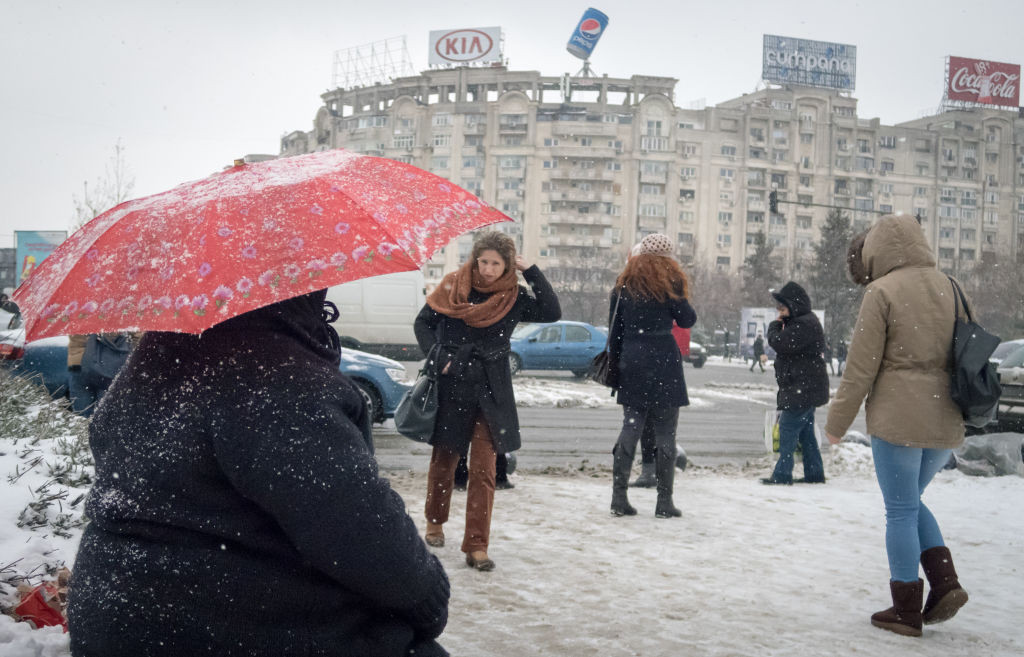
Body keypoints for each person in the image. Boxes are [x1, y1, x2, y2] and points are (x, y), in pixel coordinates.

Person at [67, 290, 450, 656]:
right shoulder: (275, 375)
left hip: (115, 614)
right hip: (218, 627)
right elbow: (364, 537)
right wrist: (429, 599)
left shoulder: (155, 355)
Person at [825, 215, 970, 637]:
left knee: (901, 509)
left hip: (899, 417)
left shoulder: (882, 290)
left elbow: (860, 368)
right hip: (946, 413)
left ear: (878, 251)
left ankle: (905, 609)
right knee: (912, 501)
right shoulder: (952, 286)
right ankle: (945, 583)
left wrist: (836, 423)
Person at [415, 232, 560, 571]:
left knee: (484, 469)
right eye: (484, 261)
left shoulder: (514, 295)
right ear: (475, 259)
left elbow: (552, 312)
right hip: (454, 384)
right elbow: (423, 323)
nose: (489, 269)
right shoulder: (454, 286)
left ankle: (477, 546)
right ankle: (435, 521)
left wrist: (533, 271)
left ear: (508, 264)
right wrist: (439, 358)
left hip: (492, 389)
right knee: (445, 459)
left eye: (496, 263)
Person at [607, 233, 697, 518]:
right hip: (663, 360)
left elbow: (614, 331)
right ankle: (664, 502)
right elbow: (687, 319)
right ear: (669, 258)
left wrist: (619, 364)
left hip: (632, 359)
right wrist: (678, 294)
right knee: (666, 432)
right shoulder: (670, 284)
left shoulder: (622, 286)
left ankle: (618, 498)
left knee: (630, 426)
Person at [760, 281, 829, 486]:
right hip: (804, 386)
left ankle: (782, 475)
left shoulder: (803, 324)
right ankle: (814, 474)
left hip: (802, 388)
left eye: (782, 308)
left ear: (794, 305)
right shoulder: (803, 321)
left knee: (788, 429)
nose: (779, 312)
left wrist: (773, 326)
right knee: (806, 434)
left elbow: (780, 343)